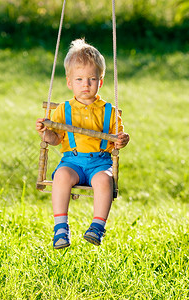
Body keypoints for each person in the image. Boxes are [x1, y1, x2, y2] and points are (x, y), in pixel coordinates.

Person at [36, 38, 130, 249]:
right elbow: (56, 139)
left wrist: (122, 141)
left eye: (91, 79)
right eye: (79, 79)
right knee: (61, 176)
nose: (85, 84)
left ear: (101, 81)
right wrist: (46, 133)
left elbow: (118, 140)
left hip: (100, 162)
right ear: (69, 83)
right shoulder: (63, 110)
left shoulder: (109, 111)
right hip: (73, 162)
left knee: (105, 181)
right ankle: (60, 227)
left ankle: (97, 227)